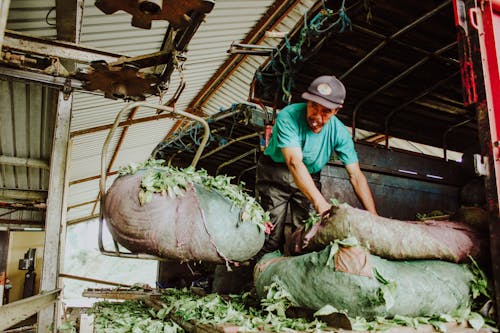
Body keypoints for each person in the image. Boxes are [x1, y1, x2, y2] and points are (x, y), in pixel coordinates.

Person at [255, 75, 377, 255]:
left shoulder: (340, 133)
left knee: (307, 236)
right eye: (313, 106)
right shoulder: (289, 116)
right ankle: (261, 275)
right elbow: (294, 162)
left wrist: (374, 216)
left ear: (337, 110)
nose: (316, 117)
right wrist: (320, 203)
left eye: (326, 111)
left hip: (310, 176)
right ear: (307, 101)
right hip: (276, 174)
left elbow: (356, 176)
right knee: (270, 236)